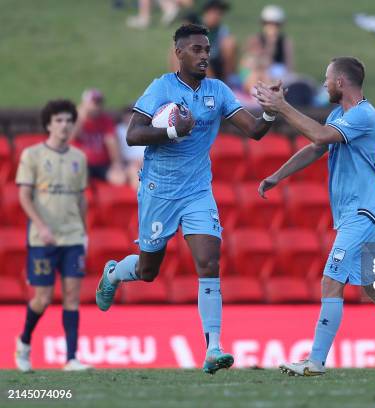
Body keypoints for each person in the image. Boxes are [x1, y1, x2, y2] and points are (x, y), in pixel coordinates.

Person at [95, 24, 277, 375]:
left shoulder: (218, 90)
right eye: (196, 49)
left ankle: (213, 348)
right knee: (149, 271)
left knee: (209, 262)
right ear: (178, 53)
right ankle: (116, 273)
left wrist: (270, 109)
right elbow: (133, 135)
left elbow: (254, 131)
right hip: (158, 191)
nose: (205, 55)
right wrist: (172, 130)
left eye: (207, 49)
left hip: (197, 191)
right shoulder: (160, 87)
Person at [255, 56, 375, 377]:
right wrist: (278, 176)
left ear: (341, 82)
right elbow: (316, 146)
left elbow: (322, 136)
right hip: (365, 211)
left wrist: (282, 107)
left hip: (363, 212)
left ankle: (315, 360)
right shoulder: (341, 114)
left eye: (327, 78)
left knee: (331, 279)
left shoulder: (365, 115)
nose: (323, 84)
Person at [14, 100, 91, 372]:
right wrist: (41, 226)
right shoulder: (32, 155)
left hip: (72, 236)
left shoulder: (79, 158)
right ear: (48, 124)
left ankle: (71, 358)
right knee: (43, 298)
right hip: (42, 239)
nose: (64, 125)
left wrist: (84, 233)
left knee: (72, 296)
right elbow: (23, 195)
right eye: (58, 120)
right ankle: (24, 342)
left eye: (69, 120)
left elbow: (82, 198)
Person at [71, 89, 127, 185]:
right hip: (83, 164)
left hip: (102, 164)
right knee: (80, 179)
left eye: (99, 103)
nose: (96, 107)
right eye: (93, 103)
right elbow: (72, 137)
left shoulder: (105, 120)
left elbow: (111, 142)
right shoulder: (76, 119)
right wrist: (80, 115)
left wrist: (116, 163)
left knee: (120, 179)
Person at [244, 5, 294, 80]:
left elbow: (289, 66)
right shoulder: (255, 40)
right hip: (256, 76)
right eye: (269, 23)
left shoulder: (285, 42)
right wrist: (270, 44)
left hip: (278, 76)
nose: (272, 27)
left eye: (276, 24)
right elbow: (250, 64)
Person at [116, 106, 146, 189]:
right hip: (129, 163)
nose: (131, 117)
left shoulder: (144, 129)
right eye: (128, 114)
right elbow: (118, 152)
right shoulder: (118, 130)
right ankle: (139, 199)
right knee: (134, 171)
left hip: (146, 161)